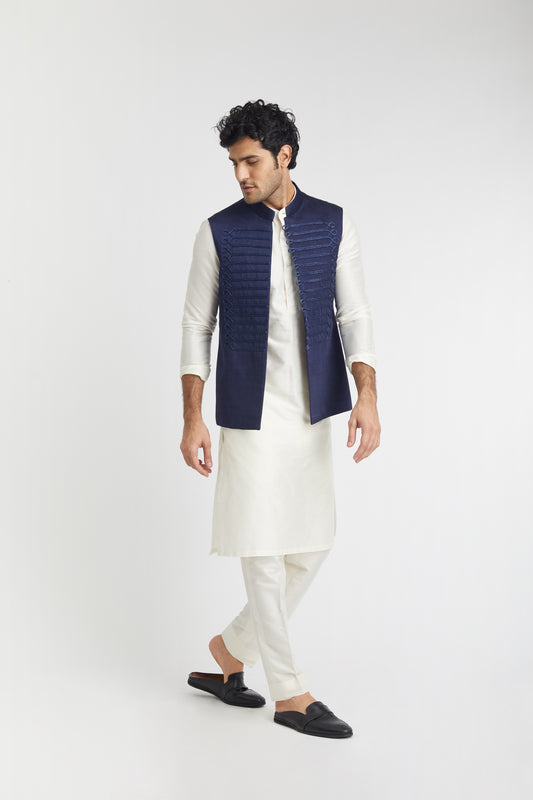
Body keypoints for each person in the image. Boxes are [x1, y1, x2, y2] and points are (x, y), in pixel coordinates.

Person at [180, 99, 380, 738]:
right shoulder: (218, 231)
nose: (241, 174)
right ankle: (290, 693)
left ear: (283, 156)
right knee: (263, 547)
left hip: (311, 409)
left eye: (251, 161)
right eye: (234, 164)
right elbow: (196, 326)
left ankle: (232, 648)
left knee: (313, 542)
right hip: (248, 413)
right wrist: (192, 417)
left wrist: (368, 395)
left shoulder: (332, 223)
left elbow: (354, 314)